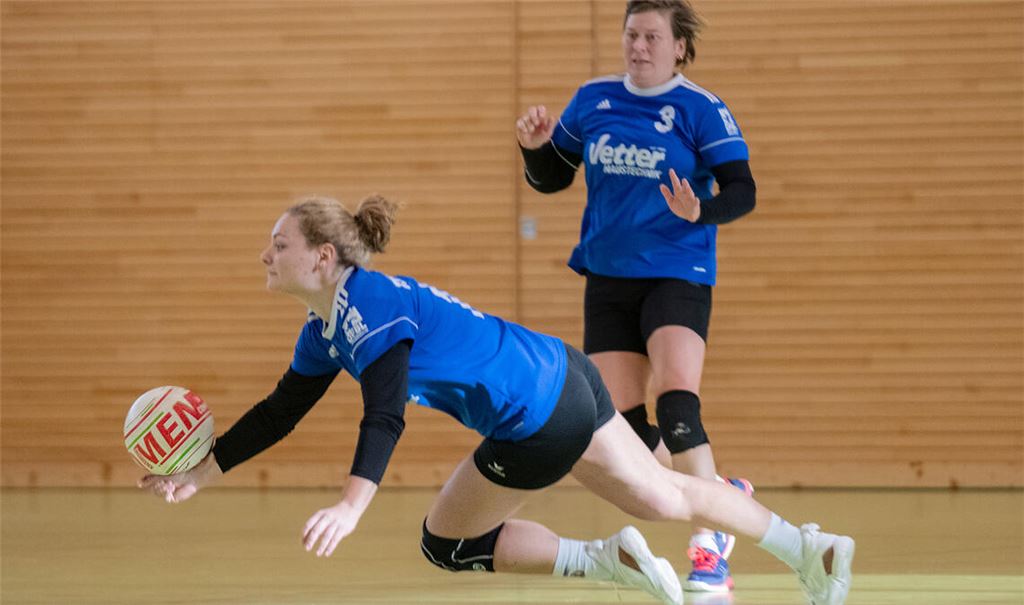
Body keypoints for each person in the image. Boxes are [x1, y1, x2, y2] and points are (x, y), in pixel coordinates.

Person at [138, 195, 853, 605]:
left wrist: (350, 507)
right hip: (559, 373)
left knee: (445, 543)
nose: (266, 254)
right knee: (666, 496)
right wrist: (195, 474)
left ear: (323, 257)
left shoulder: (368, 305)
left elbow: (384, 411)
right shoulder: (326, 327)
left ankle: (606, 560)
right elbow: (278, 412)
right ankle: (810, 548)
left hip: (534, 416)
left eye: (278, 243)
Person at [514, 0, 758, 592]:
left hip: (678, 270)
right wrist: (536, 150)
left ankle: (708, 545)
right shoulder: (594, 98)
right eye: (632, 34)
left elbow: (743, 189)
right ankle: (723, 499)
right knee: (623, 425)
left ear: (678, 46)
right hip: (607, 277)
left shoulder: (699, 108)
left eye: (652, 36)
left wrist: (701, 209)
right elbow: (553, 178)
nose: (639, 46)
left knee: (678, 407)